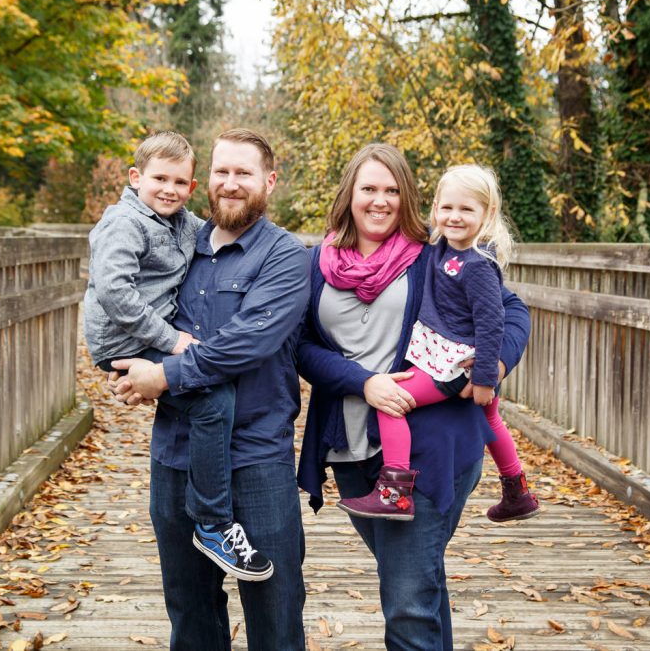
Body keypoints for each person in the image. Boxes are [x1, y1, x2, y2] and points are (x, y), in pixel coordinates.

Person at [296, 144, 531, 651]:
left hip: (427, 446)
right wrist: (363, 382)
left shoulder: (435, 257)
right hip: (353, 447)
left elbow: (512, 313)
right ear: (349, 196)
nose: (380, 201)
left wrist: (494, 367)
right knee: (418, 587)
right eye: (369, 189)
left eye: (392, 190)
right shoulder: (317, 262)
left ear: (407, 199)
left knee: (406, 600)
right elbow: (303, 347)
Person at [111, 129, 310, 651]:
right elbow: (121, 296)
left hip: (255, 460)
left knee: (276, 616)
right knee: (191, 613)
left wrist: (163, 376)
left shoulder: (287, 257)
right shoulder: (175, 244)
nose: (230, 183)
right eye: (221, 171)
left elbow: (247, 343)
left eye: (243, 173)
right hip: (176, 457)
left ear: (268, 181)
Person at [83, 131, 273, 581]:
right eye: (159, 179)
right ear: (135, 178)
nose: (168, 189)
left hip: (149, 336)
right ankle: (211, 522)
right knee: (212, 401)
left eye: (180, 182)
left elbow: (218, 233)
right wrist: (170, 341)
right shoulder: (124, 223)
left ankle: (208, 512)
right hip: (123, 339)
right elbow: (113, 290)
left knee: (208, 395)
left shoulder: (180, 221)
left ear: (192, 187)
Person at [337, 164, 539, 522]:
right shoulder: (441, 245)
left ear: (488, 213)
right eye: (447, 208)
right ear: (435, 209)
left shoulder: (476, 265)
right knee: (490, 418)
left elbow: (493, 324)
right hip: (444, 352)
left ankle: (395, 491)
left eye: (466, 209)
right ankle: (517, 489)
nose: (454, 217)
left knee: (391, 402)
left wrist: (486, 377)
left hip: (452, 362)